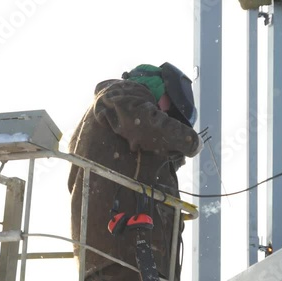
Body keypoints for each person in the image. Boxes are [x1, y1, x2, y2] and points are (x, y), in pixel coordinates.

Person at [67, 62, 203, 280]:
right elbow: (147, 125)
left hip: (123, 252)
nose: (166, 114)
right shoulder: (122, 94)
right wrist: (189, 140)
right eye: (169, 109)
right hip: (127, 248)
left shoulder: (114, 120)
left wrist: (172, 157)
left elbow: (140, 153)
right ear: (163, 90)